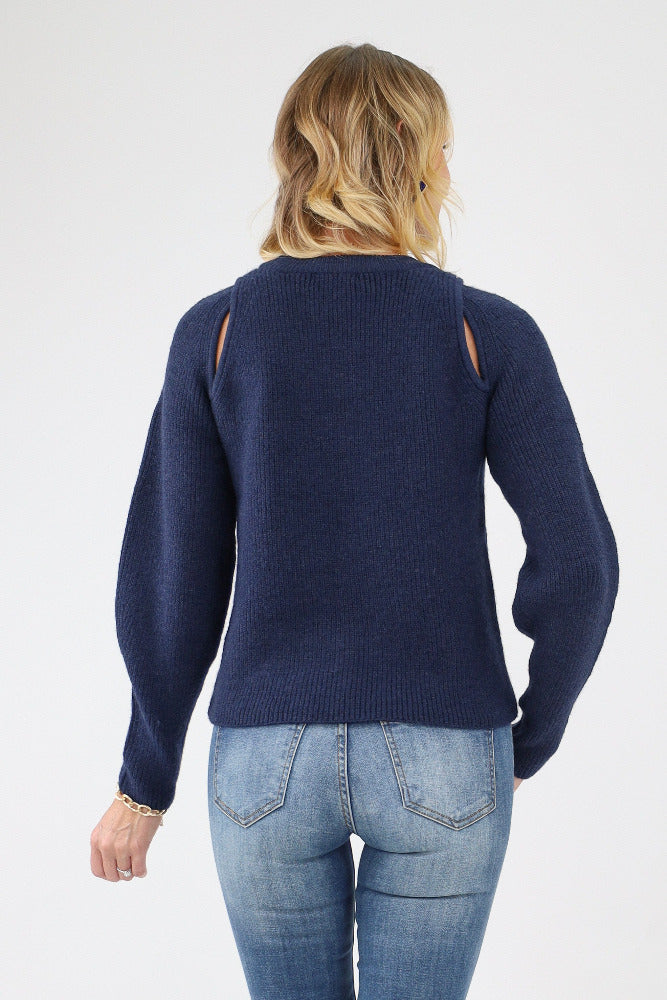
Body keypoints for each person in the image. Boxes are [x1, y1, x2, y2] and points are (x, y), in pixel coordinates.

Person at [90, 43, 619, 1000]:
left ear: (296, 155)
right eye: (443, 148)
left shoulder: (218, 332)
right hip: (446, 748)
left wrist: (144, 780)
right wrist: (530, 733)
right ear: (414, 157)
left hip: (263, 759)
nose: (448, 168)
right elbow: (579, 565)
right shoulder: (485, 330)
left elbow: (174, 576)